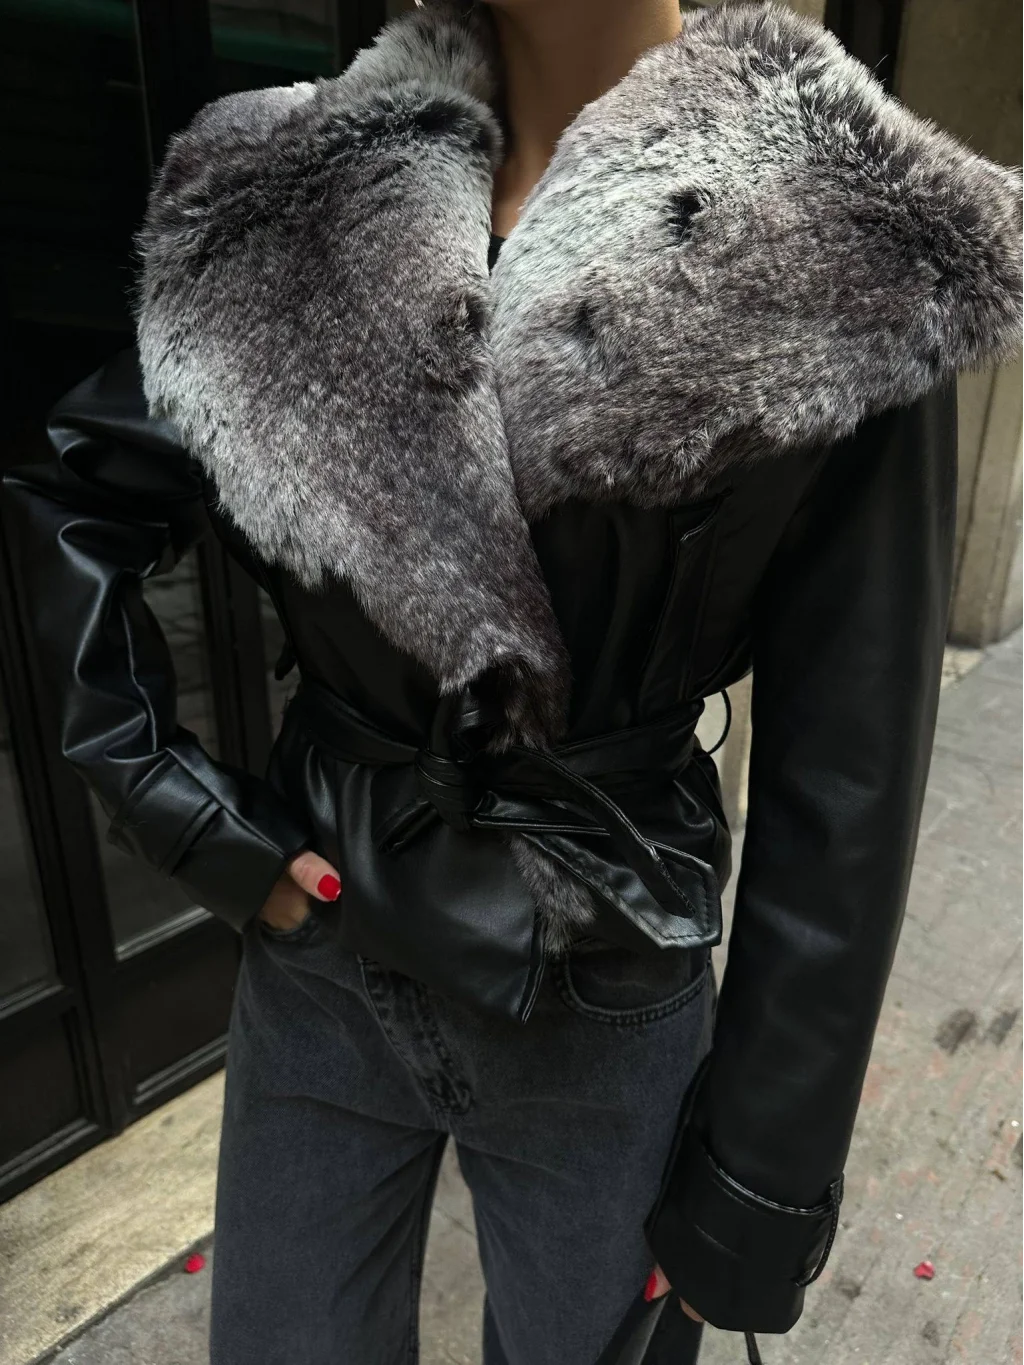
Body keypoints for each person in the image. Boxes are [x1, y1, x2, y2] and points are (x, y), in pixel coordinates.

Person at [4, 1, 1023, 1362]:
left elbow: (848, 769)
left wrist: (761, 1176)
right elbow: (73, 494)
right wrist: (184, 813)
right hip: (325, 957)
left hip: (605, 982)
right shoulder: (288, 186)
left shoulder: (848, 228)